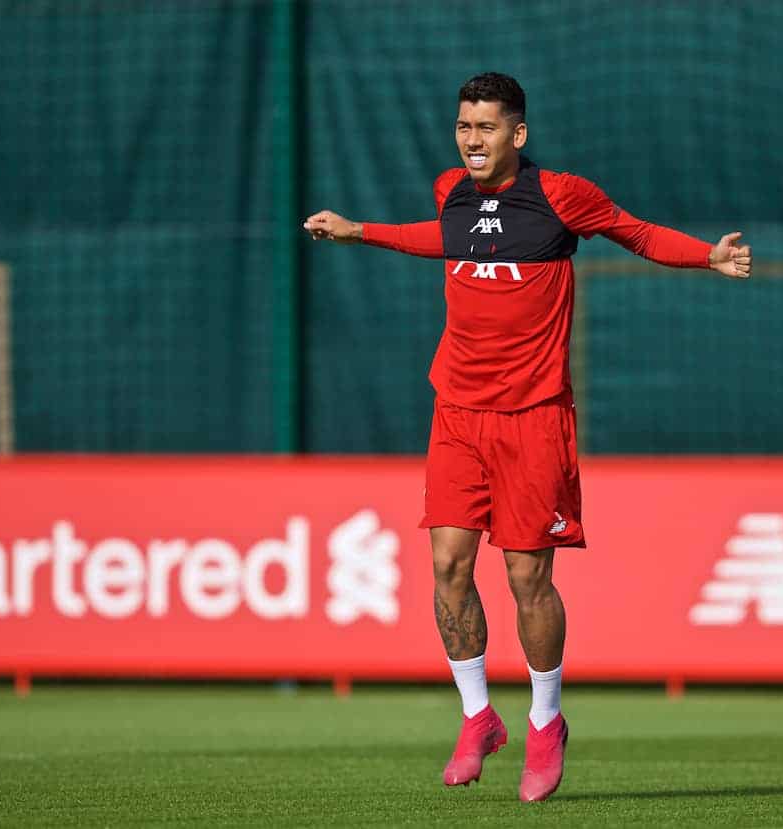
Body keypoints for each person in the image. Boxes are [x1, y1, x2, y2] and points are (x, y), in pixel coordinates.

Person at [304, 72, 751, 803]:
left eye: (485, 128)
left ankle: (545, 722)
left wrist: (708, 254)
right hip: (456, 412)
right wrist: (360, 230)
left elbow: (635, 234)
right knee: (448, 565)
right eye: (463, 126)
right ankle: (478, 716)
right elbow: (439, 239)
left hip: (534, 417)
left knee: (525, 578)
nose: (471, 141)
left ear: (518, 133)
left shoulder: (562, 195)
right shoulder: (451, 187)